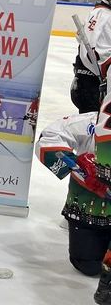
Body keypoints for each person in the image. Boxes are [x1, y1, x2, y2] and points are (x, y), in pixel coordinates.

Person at [36, 107, 111, 280]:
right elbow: (48, 137)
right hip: (89, 211)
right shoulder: (90, 123)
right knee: (89, 265)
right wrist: (77, 165)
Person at [73, 0, 111, 114]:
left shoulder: (102, 13)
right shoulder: (104, 16)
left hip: (88, 88)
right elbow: (97, 58)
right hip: (94, 92)